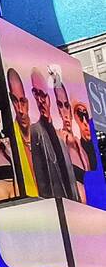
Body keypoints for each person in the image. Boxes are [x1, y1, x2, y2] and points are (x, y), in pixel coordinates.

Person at [29, 66, 76, 200]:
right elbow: (41, 179)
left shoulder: (61, 137)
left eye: (43, 94)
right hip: (56, 205)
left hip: (72, 204)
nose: (40, 100)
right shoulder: (35, 131)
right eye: (36, 93)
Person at [53, 74, 90, 202]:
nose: (64, 112)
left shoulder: (81, 147)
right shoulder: (57, 137)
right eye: (60, 105)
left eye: (66, 105)